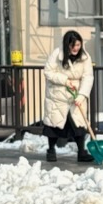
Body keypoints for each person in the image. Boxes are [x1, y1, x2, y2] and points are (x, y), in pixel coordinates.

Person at [40, 30, 94, 163]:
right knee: (54, 125)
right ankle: (51, 150)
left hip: (76, 95)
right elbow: (48, 72)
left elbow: (88, 77)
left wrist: (82, 95)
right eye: (73, 45)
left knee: (79, 124)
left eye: (78, 45)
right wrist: (64, 80)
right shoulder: (57, 54)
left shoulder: (85, 57)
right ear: (67, 45)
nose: (76, 48)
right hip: (57, 96)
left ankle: (81, 152)